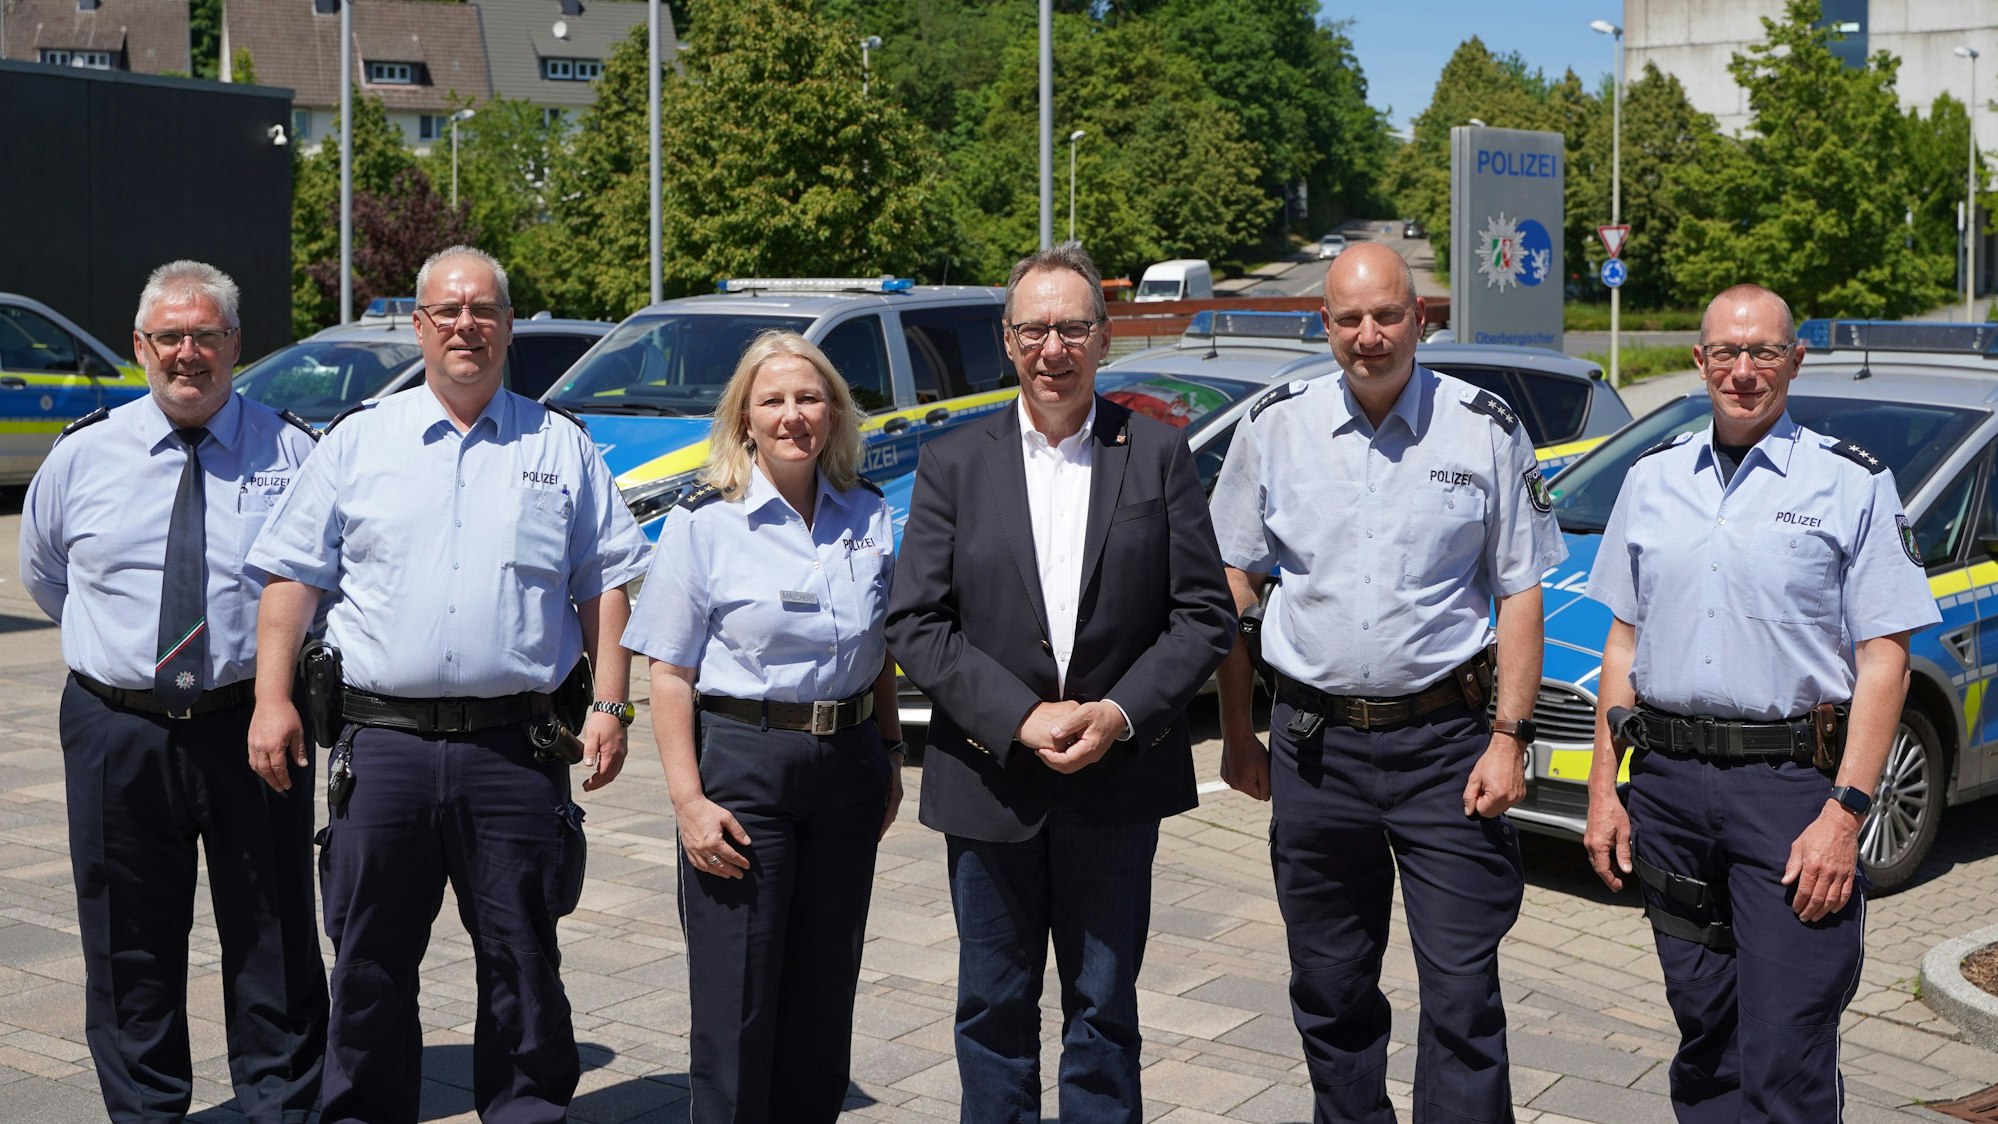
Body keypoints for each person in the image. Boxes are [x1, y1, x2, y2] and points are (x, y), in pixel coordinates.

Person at [245, 245, 649, 1124]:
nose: (465, 325)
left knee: (523, 957)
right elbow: (290, 581)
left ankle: (527, 1110)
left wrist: (612, 705)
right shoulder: (359, 442)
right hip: (380, 746)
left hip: (515, 749)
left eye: (484, 310)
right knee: (369, 960)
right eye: (447, 311)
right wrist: (271, 698)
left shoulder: (561, 445)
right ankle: (361, 1111)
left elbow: (605, 584)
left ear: (508, 326)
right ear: (419, 326)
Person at [1210, 242, 1565, 1122]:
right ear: (1323, 324)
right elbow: (1233, 582)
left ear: (1421, 317)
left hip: (1447, 749)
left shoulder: (1484, 425)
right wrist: (1236, 731)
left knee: (1461, 993)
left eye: (1389, 315)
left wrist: (1510, 739)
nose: (1371, 336)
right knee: (1330, 986)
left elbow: (1521, 588)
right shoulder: (1273, 425)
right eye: (1350, 319)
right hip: (1313, 748)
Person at [885, 244, 1235, 1122]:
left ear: (1103, 338)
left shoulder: (1156, 454)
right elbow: (915, 621)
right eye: (1034, 328)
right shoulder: (953, 463)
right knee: (993, 1013)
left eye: (1072, 327)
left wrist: (1119, 713)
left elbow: (1203, 616)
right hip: (991, 780)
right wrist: (1020, 716)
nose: (1054, 347)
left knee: (1104, 1015)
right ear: (1008, 341)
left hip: (1117, 786)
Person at [1582, 284, 1938, 1122]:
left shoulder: (1851, 485)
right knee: (1705, 1036)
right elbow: (1622, 647)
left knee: (1786, 1047)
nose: (1745, 372)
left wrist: (1845, 815)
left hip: (1790, 797)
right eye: (1727, 354)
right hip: (1667, 790)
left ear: (1795, 361)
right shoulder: (1652, 479)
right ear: (1700, 361)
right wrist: (1605, 792)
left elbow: (1885, 659)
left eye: (1765, 352)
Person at [19, 260, 327, 1122]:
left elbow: (321, 587)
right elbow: (48, 577)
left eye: (206, 335)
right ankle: (147, 1108)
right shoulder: (82, 455)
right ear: (140, 347)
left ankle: (280, 1102)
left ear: (236, 343)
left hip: (253, 722)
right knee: (128, 941)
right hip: (119, 726)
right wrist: (124, 659)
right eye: (169, 337)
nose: (187, 354)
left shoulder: (293, 451)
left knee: (271, 928)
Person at [622, 331, 904, 1122]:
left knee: (823, 991)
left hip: (846, 763)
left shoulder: (870, 514)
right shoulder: (705, 523)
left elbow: (880, 649)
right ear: (744, 416)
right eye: (773, 400)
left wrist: (888, 751)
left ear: (835, 412)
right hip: (744, 765)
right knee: (737, 999)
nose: (793, 416)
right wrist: (687, 802)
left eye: (810, 398)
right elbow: (669, 674)